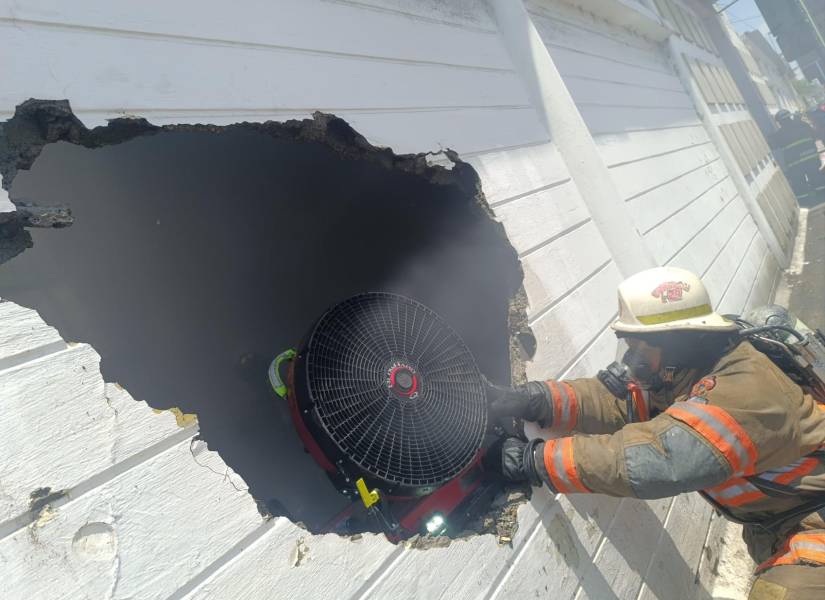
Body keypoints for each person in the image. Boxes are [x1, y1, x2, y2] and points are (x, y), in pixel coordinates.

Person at [487, 266, 825, 599]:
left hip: (813, 523)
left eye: (638, 348)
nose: (631, 359)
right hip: (784, 520)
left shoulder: (746, 392)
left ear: (675, 341)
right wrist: (537, 399)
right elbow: (619, 404)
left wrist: (536, 460)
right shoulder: (689, 371)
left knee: (783, 594)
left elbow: (659, 460)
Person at [768, 109, 825, 206]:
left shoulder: (779, 134)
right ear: (790, 116)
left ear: (779, 122)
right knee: (817, 178)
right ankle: (822, 195)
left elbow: (772, 145)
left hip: (795, 164)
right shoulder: (803, 125)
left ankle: (806, 202)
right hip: (811, 158)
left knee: (799, 184)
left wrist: (769, 137)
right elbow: (815, 135)